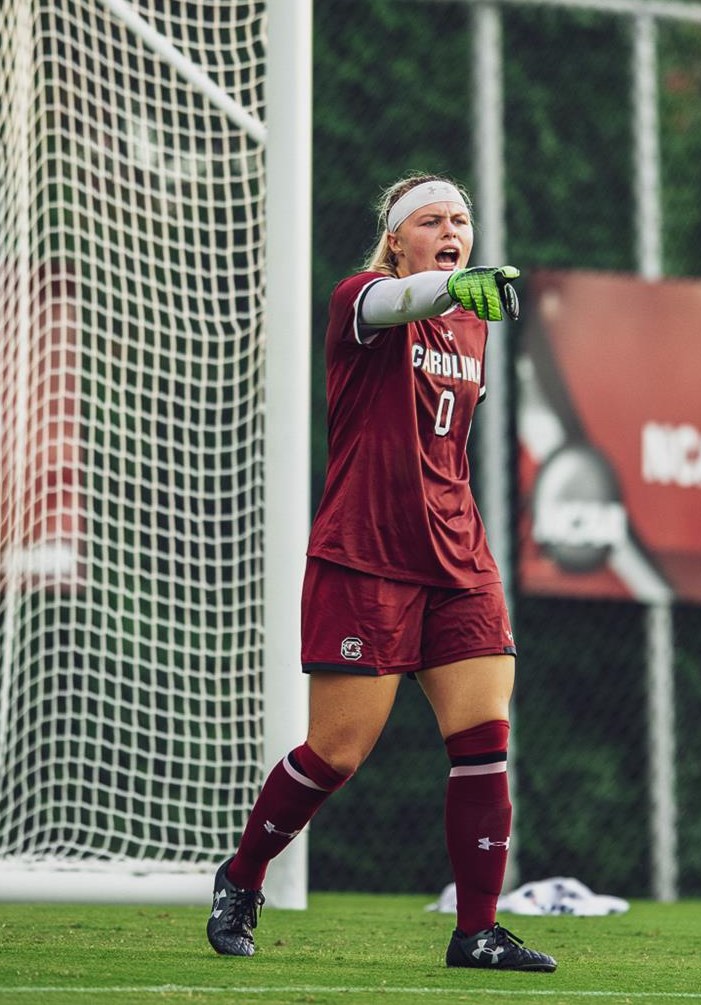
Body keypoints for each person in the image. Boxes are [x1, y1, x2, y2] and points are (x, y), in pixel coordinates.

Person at [206, 172, 556, 973]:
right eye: (430, 219)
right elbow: (399, 303)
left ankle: (475, 931)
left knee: (484, 740)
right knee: (337, 751)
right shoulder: (361, 298)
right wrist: (444, 285)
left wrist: (460, 292)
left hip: (457, 553)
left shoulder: (475, 318)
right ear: (396, 238)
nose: (450, 228)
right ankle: (241, 876)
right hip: (367, 554)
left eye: (460, 219)